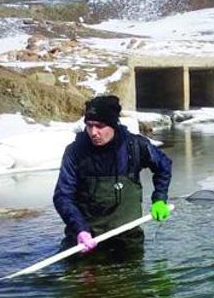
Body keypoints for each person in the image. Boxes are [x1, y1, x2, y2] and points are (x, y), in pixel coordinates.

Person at [53, 95, 172, 255]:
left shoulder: (135, 146)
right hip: (86, 239)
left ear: (113, 125)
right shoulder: (74, 152)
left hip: (127, 238)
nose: (93, 132)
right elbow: (63, 196)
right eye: (89, 126)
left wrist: (159, 199)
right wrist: (80, 229)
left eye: (100, 126)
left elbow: (164, 166)